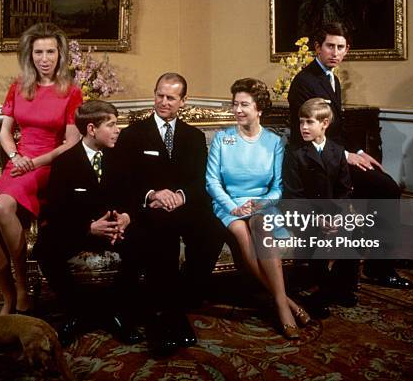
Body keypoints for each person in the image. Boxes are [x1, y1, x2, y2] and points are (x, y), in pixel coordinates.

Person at [287, 22, 412, 291]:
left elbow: (337, 127)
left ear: (347, 50)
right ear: (317, 48)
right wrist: (345, 156)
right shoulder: (304, 82)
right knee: (386, 189)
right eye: (330, 46)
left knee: (386, 186)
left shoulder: (331, 78)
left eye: (340, 47)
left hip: (335, 155)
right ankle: (379, 266)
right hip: (315, 163)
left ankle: (379, 258)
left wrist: (357, 151)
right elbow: (306, 134)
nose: (335, 52)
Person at [109, 72, 225, 356]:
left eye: (170, 97)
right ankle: (168, 317)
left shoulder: (194, 136)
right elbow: (121, 180)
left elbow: (200, 180)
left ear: (182, 101)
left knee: (214, 230)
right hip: (149, 209)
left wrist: (181, 196)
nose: (163, 101)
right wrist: (152, 195)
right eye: (159, 95)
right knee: (163, 235)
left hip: (183, 206)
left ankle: (183, 297)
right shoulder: (133, 134)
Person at [0, 23, 83, 316]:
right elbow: (5, 132)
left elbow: (71, 143)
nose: (45, 58)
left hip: (48, 164)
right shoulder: (18, 87)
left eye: (51, 51)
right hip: (19, 161)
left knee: (0, 209)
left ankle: (23, 287)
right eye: (39, 52)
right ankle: (8, 296)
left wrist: (34, 162)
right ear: (30, 55)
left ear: (60, 54)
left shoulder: (71, 92)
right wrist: (15, 156)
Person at [206, 78, 310, 340]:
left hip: (262, 203)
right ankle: (286, 304)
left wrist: (261, 204)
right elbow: (212, 181)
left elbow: (278, 187)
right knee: (241, 232)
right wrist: (233, 207)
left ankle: (280, 305)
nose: (237, 110)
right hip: (228, 204)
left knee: (261, 225)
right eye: (235, 104)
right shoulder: (223, 138)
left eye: (244, 105)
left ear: (259, 109)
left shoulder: (274, 142)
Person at [33, 100, 134, 345]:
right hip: (80, 230)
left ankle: (117, 312)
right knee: (45, 249)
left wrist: (126, 217)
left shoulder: (121, 156)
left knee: (148, 241)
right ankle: (77, 312)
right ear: (91, 129)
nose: (117, 129)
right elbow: (56, 212)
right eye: (111, 125)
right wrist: (88, 227)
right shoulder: (65, 162)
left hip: (116, 230)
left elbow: (132, 196)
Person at [282, 97, 358, 319]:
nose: (303, 127)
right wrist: (317, 220)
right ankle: (320, 293)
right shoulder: (295, 154)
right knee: (318, 235)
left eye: (309, 122)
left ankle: (341, 288)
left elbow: (344, 189)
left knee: (350, 230)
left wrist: (340, 217)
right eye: (301, 122)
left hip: (331, 212)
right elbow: (293, 195)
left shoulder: (336, 151)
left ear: (324, 124)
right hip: (302, 213)